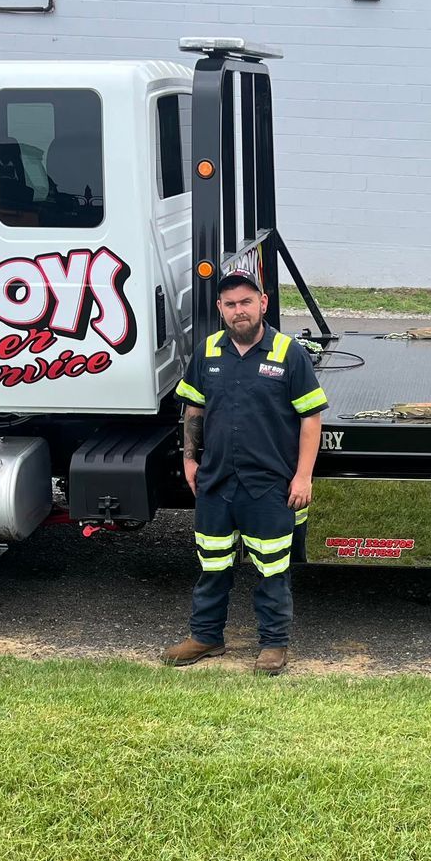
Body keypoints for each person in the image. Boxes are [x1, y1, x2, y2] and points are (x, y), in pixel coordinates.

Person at [161, 261, 327, 674]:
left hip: (268, 484)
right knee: (212, 566)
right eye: (231, 303)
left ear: (263, 303)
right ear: (221, 308)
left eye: (247, 301)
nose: (240, 310)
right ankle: (205, 637)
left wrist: (303, 475)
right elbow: (193, 406)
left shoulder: (289, 354)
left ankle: (273, 645)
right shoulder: (209, 350)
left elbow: (311, 418)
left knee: (272, 570)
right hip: (216, 481)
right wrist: (188, 458)